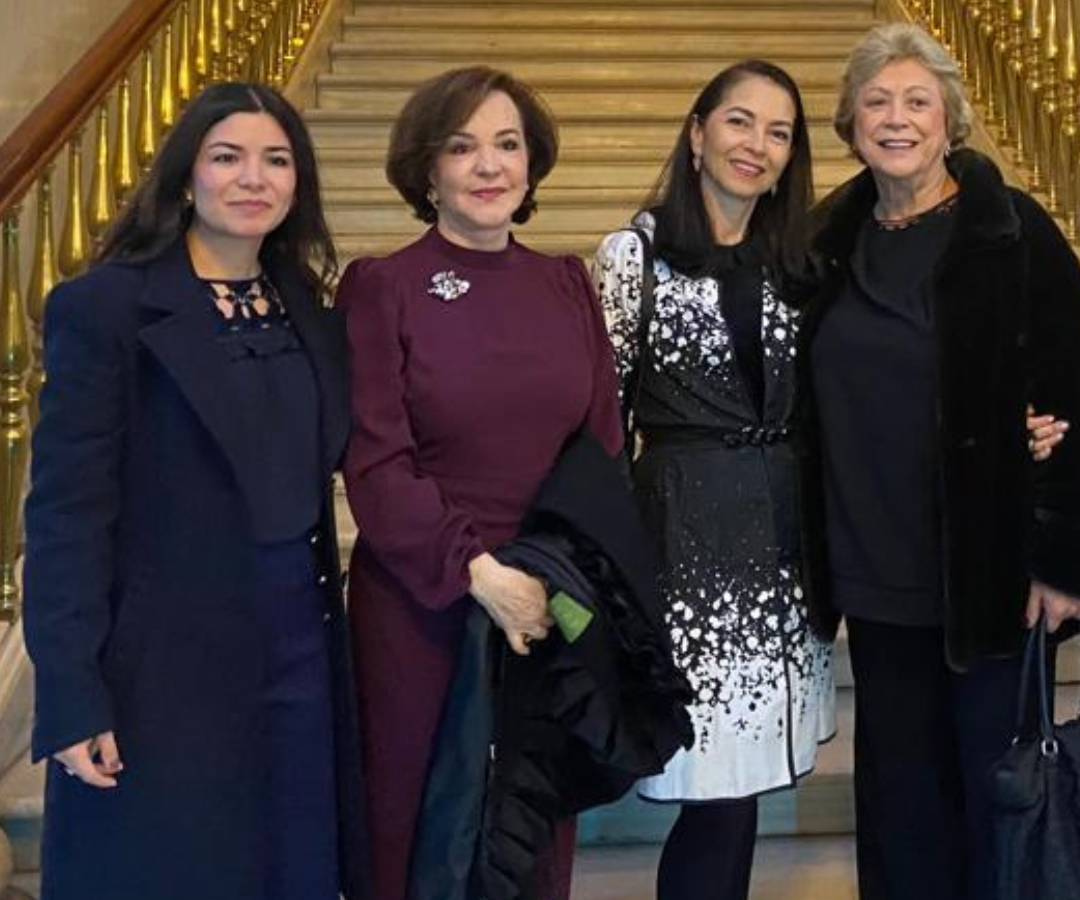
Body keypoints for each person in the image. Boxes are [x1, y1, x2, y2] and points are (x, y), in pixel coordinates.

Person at [22, 83, 364, 900]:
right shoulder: (105, 309)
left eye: (276, 160)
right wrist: (71, 692)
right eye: (227, 157)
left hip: (299, 648)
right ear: (185, 179)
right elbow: (67, 515)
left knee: (292, 869)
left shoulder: (312, 315)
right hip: (160, 663)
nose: (254, 178)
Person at [801, 23, 1080, 900]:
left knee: (994, 793)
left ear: (950, 120)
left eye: (917, 101)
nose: (896, 119)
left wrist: (1062, 559)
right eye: (876, 102)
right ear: (849, 123)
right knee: (900, 799)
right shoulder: (822, 243)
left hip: (990, 573)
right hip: (871, 568)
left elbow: (1074, 391)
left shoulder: (1012, 229)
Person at [337, 66, 622, 900]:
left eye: (507, 145)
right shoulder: (383, 286)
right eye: (463, 147)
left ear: (532, 166)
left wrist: (553, 578)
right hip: (423, 608)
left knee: (531, 834)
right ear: (427, 171)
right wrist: (480, 573)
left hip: (546, 602)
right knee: (418, 827)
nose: (489, 165)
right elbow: (377, 459)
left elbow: (599, 452)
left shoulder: (567, 283)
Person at [593, 60, 834, 900]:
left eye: (778, 132)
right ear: (697, 134)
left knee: (740, 797)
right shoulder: (635, 255)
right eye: (739, 122)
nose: (756, 145)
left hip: (779, 549)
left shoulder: (796, 261)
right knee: (715, 792)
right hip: (687, 554)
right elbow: (598, 420)